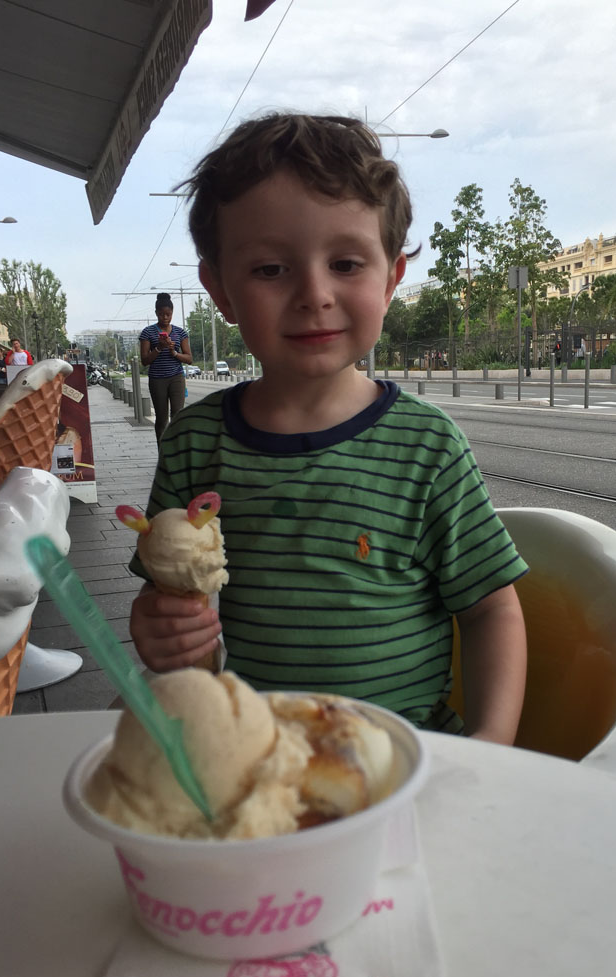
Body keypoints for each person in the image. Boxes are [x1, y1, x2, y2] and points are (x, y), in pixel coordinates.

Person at [128, 113, 528, 745]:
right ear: (220, 291)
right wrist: (157, 627)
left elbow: (490, 610)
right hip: (264, 757)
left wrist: (491, 747)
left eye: (345, 262)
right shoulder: (195, 444)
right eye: (269, 270)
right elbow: (175, 608)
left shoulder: (428, 447)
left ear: (392, 278)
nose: (314, 293)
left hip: (410, 761)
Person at [139, 293, 192, 441]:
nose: (165, 317)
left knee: (177, 416)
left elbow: (189, 358)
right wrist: (159, 348)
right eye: (162, 314)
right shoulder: (148, 332)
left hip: (176, 377)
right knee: (162, 418)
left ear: (172, 313)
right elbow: (144, 360)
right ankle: (163, 453)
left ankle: (176, 451)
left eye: (168, 314)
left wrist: (174, 352)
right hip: (157, 379)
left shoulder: (180, 332)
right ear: (156, 313)